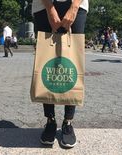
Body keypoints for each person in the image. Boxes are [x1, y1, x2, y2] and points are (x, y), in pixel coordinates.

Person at [32, 0, 88, 148]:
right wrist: (50, 8)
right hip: (43, 4)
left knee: (72, 62)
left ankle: (68, 121)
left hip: (77, 3)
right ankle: (50, 120)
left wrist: (74, 6)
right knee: (47, 61)